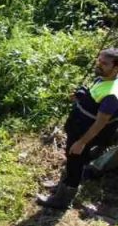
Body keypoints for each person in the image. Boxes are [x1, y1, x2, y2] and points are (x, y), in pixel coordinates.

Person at [38, 47, 118, 209]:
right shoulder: (105, 78)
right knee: (72, 159)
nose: (99, 64)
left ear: (116, 68)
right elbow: (95, 100)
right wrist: (82, 96)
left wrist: (82, 142)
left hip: (85, 134)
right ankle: (61, 186)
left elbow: (100, 123)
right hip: (78, 128)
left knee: (75, 162)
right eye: (99, 60)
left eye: (104, 63)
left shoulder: (112, 95)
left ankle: (62, 200)